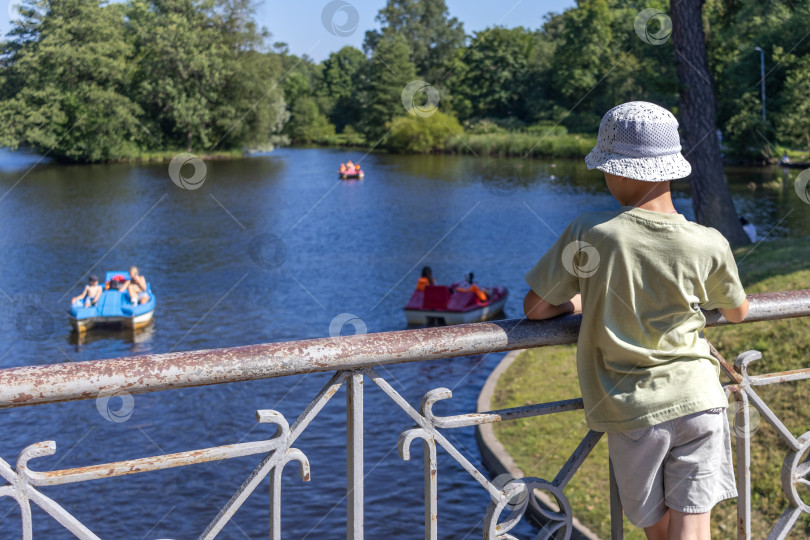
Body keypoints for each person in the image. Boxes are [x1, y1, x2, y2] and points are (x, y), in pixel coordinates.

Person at [522, 101, 749, 540]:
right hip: (701, 397)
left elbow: (535, 308)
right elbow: (738, 311)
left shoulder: (591, 232)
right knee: (693, 528)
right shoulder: (708, 241)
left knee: (658, 531)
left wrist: (576, 305)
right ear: (668, 168)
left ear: (621, 171)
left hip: (634, 409)